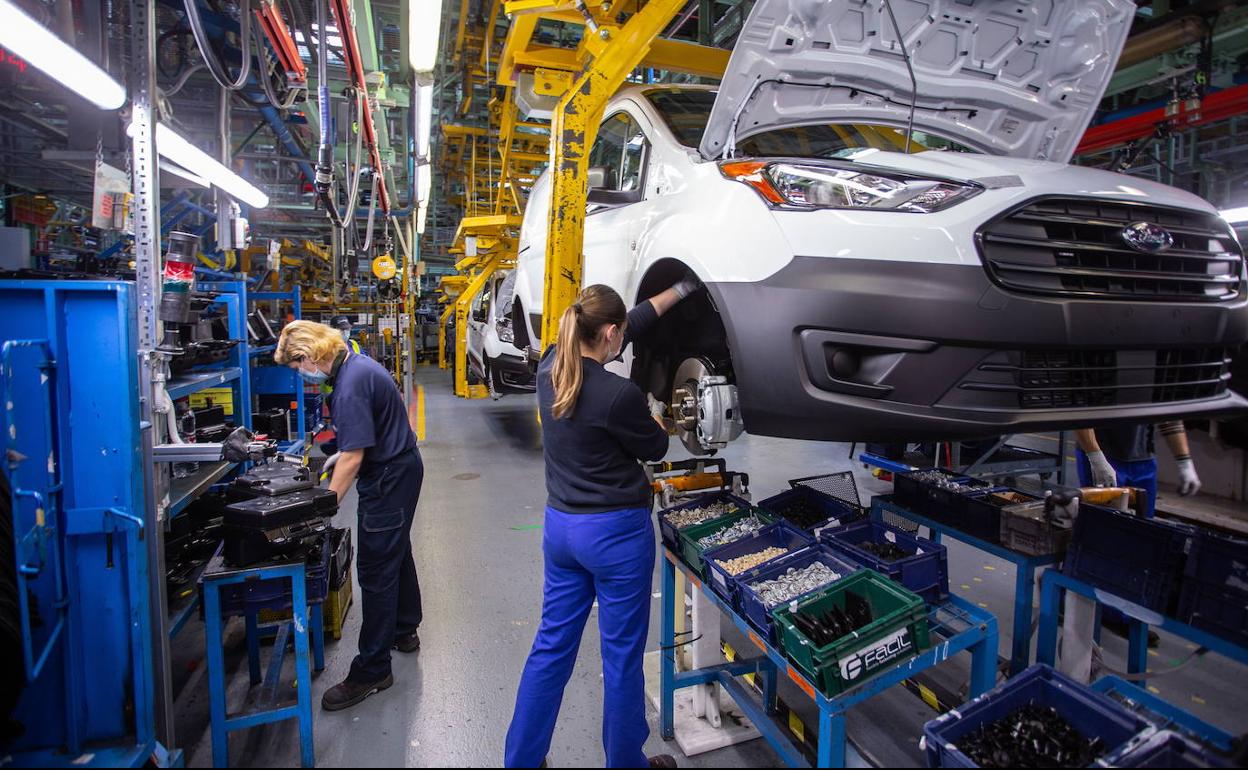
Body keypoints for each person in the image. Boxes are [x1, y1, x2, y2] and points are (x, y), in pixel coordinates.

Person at [505, 279, 700, 769]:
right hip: (615, 538)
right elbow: (655, 449)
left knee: (550, 649)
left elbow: (631, 319)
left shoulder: (550, 366)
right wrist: (660, 422)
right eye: (619, 334)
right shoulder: (620, 395)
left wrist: (680, 289)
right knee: (620, 659)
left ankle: (522, 761)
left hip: (562, 530)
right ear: (609, 335)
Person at [274, 320, 424, 711]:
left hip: (389, 477)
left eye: (297, 366)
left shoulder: (350, 384)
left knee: (375, 570)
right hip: (401, 466)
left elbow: (355, 457)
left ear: (308, 355)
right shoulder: (356, 365)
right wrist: (344, 453)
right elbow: (359, 442)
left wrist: (321, 508)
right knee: (396, 548)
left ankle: (373, 670)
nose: (300, 374)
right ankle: (405, 628)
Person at [1075, 421, 1202, 518]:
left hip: (1144, 460)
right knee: (1102, 523)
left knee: (1144, 524)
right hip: (1103, 456)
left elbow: (1169, 414)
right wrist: (1095, 457)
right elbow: (1081, 409)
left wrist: (1185, 463)